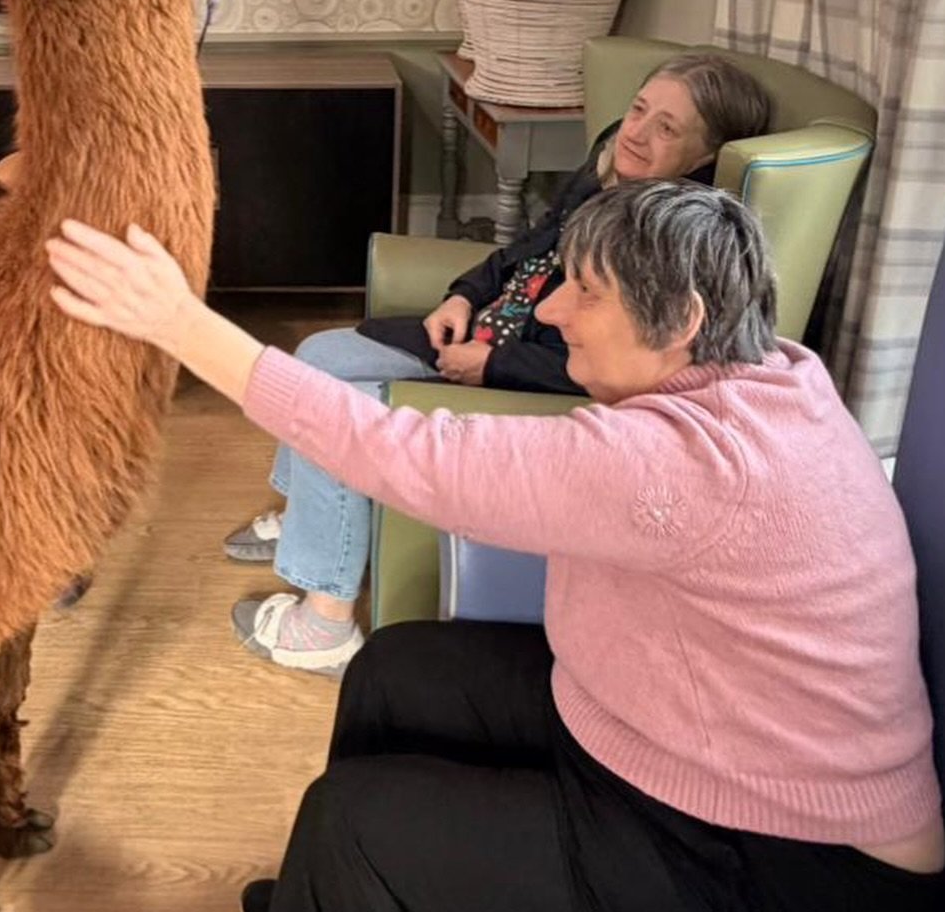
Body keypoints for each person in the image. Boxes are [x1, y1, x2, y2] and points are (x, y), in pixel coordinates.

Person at [45, 183, 945, 912]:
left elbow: (409, 458)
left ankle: (349, 869)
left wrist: (179, 323)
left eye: (586, 291)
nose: (552, 308)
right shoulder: (773, 369)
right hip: (682, 743)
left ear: (681, 321)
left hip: (784, 854)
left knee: (356, 819)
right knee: (397, 668)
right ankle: (343, 893)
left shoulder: (687, 463)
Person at [222, 53, 771, 675]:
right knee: (318, 356)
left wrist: (493, 364)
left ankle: (322, 624)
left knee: (340, 408)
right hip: (484, 330)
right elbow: (524, 250)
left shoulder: (666, 243)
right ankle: (312, 516)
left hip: (523, 373)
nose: (637, 133)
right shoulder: (605, 169)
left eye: (667, 128)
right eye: (639, 109)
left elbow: (616, 368)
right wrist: (464, 294)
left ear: (705, 155)